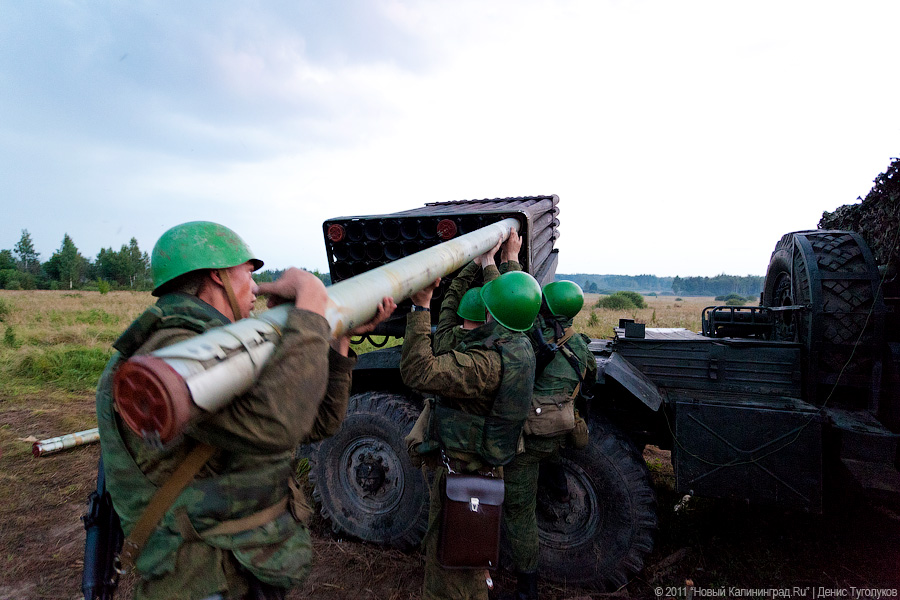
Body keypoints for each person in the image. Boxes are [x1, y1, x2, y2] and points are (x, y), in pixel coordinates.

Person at [95, 221, 395, 600]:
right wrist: (309, 308)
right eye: (249, 273)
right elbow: (279, 425)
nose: (256, 287)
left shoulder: (224, 344)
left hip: (243, 560)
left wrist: (337, 338)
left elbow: (316, 422)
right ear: (218, 276)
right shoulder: (177, 353)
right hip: (207, 576)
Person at [400, 248, 542, 600]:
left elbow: (417, 371)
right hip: (489, 469)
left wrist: (420, 307)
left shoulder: (482, 365)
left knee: (451, 565)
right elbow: (508, 304)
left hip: (463, 473)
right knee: (473, 554)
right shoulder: (521, 343)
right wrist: (496, 262)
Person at [499, 280, 597, 600]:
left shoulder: (530, 341)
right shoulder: (581, 345)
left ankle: (527, 589)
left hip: (530, 438)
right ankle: (557, 483)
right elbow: (589, 382)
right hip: (561, 431)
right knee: (551, 450)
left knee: (519, 511)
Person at [433, 231, 523, 355]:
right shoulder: (493, 341)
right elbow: (511, 303)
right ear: (488, 314)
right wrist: (511, 256)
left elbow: (453, 293)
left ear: (461, 311)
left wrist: (479, 260)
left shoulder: (444, 339)